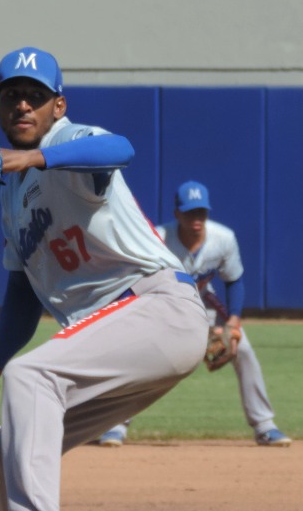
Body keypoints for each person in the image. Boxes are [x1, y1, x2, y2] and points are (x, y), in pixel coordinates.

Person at [0, 47, 209, 511]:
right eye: (12, 94)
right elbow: (22, 289)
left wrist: (28, 156)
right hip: (115, 337)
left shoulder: (71, 142)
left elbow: (121, 150)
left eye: (35, 95)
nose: (22, 102)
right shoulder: (11, 198)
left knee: (34, 375)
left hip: (158, 308)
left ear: (56, 105)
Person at [98, 180, 291, 448]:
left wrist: (234, 320)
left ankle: (265, 426)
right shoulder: (157, 239)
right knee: (139, 358)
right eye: (190, 212)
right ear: (177, 214)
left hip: (203, 306)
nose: (196, 219)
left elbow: (234, 281)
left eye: (201, 212)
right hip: (162, 306)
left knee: (243, 348)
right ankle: (116, 425)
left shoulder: (223, 239)